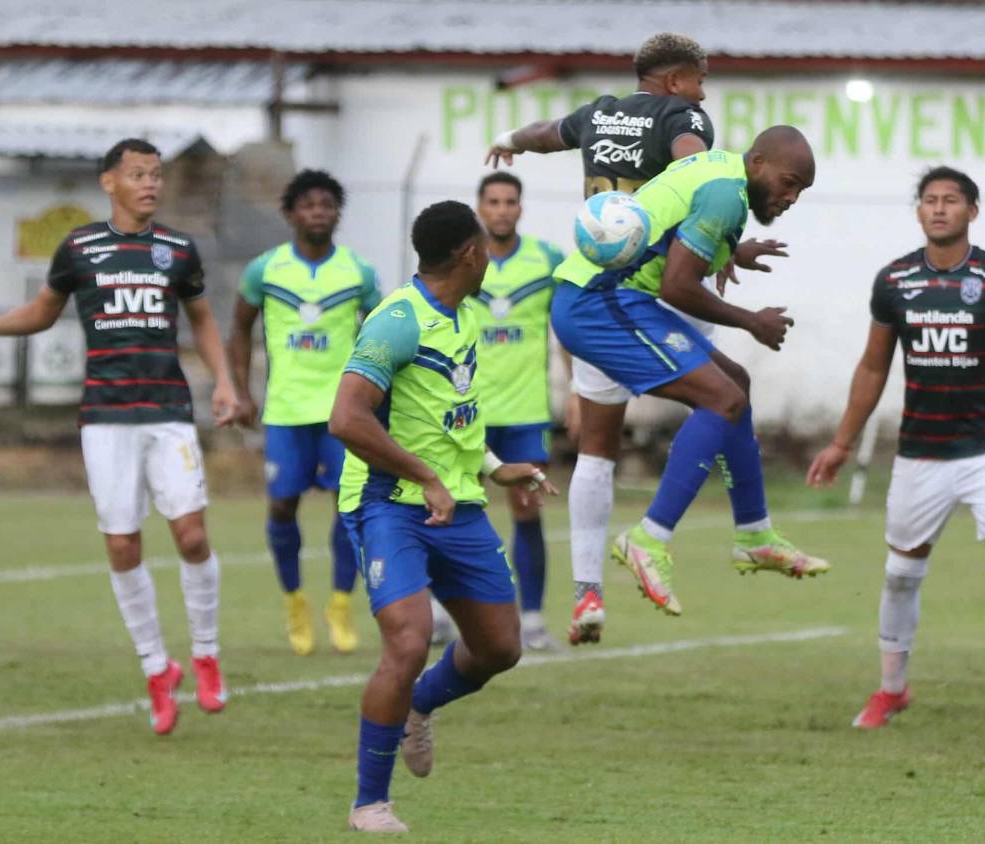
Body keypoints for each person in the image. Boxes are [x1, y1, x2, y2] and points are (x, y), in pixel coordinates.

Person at [486, 32, 787, 643]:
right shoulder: (685, 117)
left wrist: (508, 141)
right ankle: (708, 532)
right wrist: (719, 240)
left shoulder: (599, 112)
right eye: (700, 79)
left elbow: (547, 132)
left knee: (597, 450)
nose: (705, 92)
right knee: (726, 396)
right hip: (647, 294)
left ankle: (587, 593)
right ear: (676, 80)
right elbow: (691, 168)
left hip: (592, 292)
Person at [807, 166, 985, 739]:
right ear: (919, 211)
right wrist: (842, 443)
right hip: (921, 454)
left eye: (951, 201)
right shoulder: (894, 281)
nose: (939, 209)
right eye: (929, 200)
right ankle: (892, 690)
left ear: (973, 211)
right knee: (900, 574)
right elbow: (873, 367)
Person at [332, 200, 558, 834]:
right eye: (484, 245)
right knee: (405, 642)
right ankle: (369, 803)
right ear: (469, 254)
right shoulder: (396, 322)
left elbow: (442, 412)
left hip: (455, 502)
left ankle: (419, 707)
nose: (490, 255)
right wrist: (425, 477)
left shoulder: (460, 316)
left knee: (500, 648)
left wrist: (492, 467)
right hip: (387, 504)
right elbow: (346, 419)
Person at [0, 138, 236, 735]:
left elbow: (203, 320)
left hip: (168, 411)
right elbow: (42, 312)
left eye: (156, 174)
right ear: (110, 182)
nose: (150, 184)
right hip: (105, 417)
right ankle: (158, 668)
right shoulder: (79, 248)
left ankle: (205, 653)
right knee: (123, 546)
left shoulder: (178, 250)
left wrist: (226, 382)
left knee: (191, 533)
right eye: (138, 174)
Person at [551, 127, 827, 619]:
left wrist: (731, 250)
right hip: (599, 302)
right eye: (788, 183)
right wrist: (751, 320)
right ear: (759, 161)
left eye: (800, 190)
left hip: (616, 298)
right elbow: (678, 286)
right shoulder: (727, 194)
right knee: (721, 400)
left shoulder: (723, 173)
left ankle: (755, 534)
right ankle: (648, 539)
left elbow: (673, 224)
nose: (790, 198)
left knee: (735, 384)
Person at [228, 169, 381, 656]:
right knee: (281, 506)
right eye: (308, 204)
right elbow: (239, 329)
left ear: (337, 213)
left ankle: (339, 604)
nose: (318, 211)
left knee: (348, 507)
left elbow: (380, 334)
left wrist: (379, 396)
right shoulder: (265, 270)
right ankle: (295, 601)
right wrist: (242, 390)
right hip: (286, 410)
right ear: (291, 214)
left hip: (343, 414)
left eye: (327, 204)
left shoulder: (358, 272)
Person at [471, 171, 566, 650]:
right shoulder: (465, 261)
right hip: (470, 412)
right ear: (480, 209)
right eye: (494, 201)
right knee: (449, 509)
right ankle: (441, 611)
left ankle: (530, 616)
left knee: (527, 510)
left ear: (520, 208)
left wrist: (576, 390)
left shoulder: (547, 260)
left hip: (527, 410)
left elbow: (567, 326)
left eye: (510, 201)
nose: (502, 209)